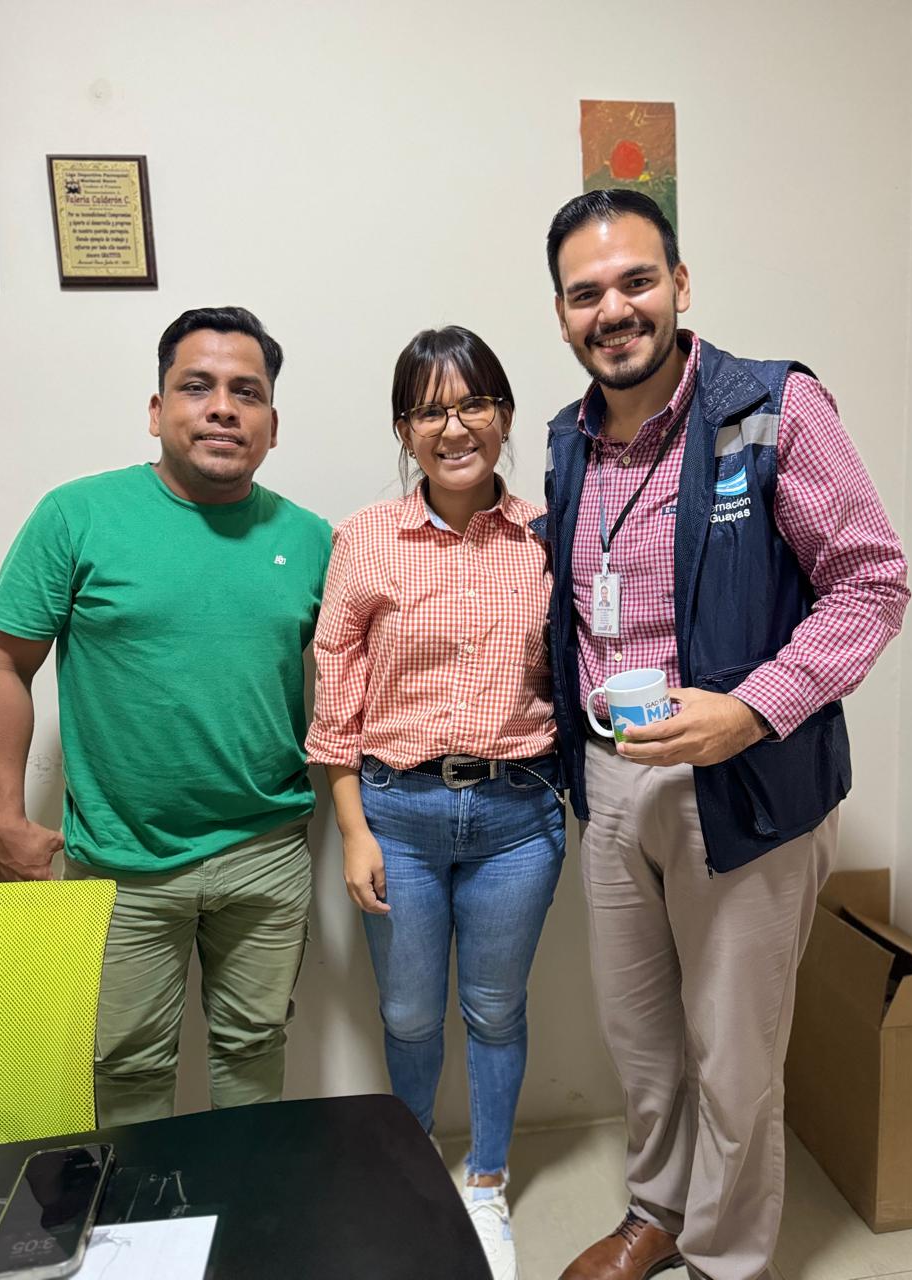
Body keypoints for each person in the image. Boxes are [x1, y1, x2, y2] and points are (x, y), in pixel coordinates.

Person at [540, 191, 909, 1280]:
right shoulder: (566, 439)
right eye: (586, 293)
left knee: (736, 1055)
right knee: (642, 1037)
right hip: (612, 781)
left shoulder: (776, 409)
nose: (614, 310)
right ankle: (656, 1214)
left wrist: (750, 708)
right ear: (562, 314)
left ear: (681, 284)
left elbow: (872, 584)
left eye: (636, 281)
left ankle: (727, 1258)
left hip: (748, 780)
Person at [0, 306, 332, 1127]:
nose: (223, 408)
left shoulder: (312, 538)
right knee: (124, 1066)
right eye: (197, 387)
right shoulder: (76, 517)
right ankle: (143, 1207)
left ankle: (243, 1195)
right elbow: (2, 662)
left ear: (272, 424)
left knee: (254, 1046)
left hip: (267, 853)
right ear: (156, 409)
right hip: (120, 860)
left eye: (247, 392)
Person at [305, 326, 565, 1280]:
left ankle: (487, 1184)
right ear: (403, 430)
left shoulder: (549, 536)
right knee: (411, 1013)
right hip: (397, 818)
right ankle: (414, 1180)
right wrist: (352, 829)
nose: (453, 428)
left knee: (495, 1010)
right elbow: (336, 695)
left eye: (472, 404)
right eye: (428, 411)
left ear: (503, 414)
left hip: (518, 819)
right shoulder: (365, 539)